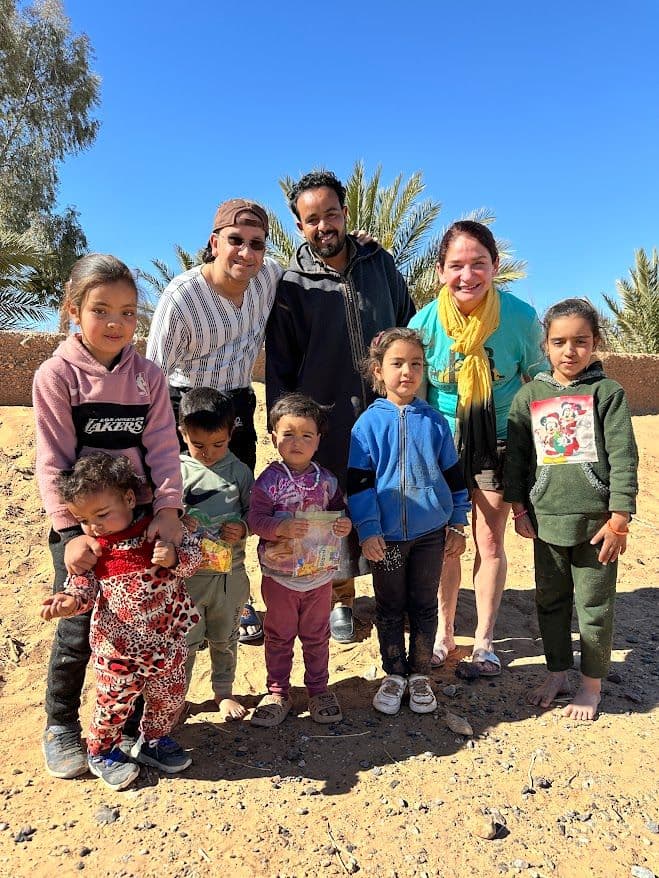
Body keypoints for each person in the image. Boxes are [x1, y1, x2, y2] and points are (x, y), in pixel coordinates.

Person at [33, 253, 186, 780]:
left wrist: (167, 509)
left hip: (140, 521)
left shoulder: (148, 378)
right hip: (86, 529)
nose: (117, 323)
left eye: (128, 311)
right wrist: (72, 533)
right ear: (74, 310)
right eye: (102, 310)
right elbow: (52, 458)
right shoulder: (56, 376)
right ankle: (61, 726)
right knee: (80, 627)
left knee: (145, 623)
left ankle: (131, 730)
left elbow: (164, 447)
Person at [266, 170, 416, 643]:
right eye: (312, 219)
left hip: (385, 413)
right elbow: (282, 361)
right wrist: (288, 426)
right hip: (324, 418)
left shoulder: (380, 264)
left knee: (387, 502)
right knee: (330, 508)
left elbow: (408, 325)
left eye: (331, 213)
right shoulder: (292, 285)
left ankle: (394, 595)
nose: (324, 225)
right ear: (300, 227)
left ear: (346, 214)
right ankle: (341, 600)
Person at [408, 220, 546, 676]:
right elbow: (414, 393)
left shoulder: (521, 319)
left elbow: (541, 384)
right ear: (440, 272)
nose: (467, 276)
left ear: (495, 266)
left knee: (489, 540)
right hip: (440, 448)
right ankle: (445, 634)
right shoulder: (424, 324)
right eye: (456, 266)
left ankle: (485, 640)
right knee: (447, 543)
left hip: (498, 444)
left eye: (478, 264)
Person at [147, 197, 281, 641]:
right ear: (214, 242)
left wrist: (358, 244)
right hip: (187, 407)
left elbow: (314, 263)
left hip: (238, 404)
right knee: (187, 503)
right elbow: (153, 373)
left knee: (233, 503)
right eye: (235, 241)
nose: (246, 253)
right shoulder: (182, 296)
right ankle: (182, 592)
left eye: (256, 244)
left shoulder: (268, 278)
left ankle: (233, 600)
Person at [504, 298, 638, 720]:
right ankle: (557, 671)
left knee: (595, 606)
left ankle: (591, 685)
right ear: (545, 345)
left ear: (595, 342)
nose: (570, 351)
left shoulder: (607, 393)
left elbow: (622, 454)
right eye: (559, 341)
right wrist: (520, 509)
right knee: (551, 602)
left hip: (598, 525)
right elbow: (518, 459)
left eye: (581, 341)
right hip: (546, 523)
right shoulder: (529, 396)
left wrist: (619, 517)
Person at [40, 453, 201, 791]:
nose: (94, 527)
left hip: (166, 640)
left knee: (168, 696)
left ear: (129, 498)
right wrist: (68, 602)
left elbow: (195, 559)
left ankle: (153, 741)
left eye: (101, 515)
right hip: (118, 650)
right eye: (84, 520)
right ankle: (101, 751)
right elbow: (81, 587)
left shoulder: (159, 531)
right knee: (113, 703)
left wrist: (174, 557)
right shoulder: (94, 551)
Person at [347, 329, 471, 714]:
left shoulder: (434, 423)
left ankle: (419, 674)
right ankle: (393, 673)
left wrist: (456, 522)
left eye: (416, 364)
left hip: (430, 534)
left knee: (422, 603)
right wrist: (368, 531)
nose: (408, 372)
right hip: (385, 540)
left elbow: (453, 477)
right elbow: (359, 485)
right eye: (397, 363)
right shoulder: (366, 426)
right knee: (389, 605)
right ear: (378, 371)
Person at [247, 393, 353, 727]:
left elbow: (340, 511)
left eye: (307, 435)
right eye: (288, 434)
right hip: (280, 578)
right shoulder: (268, 482)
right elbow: (255, 521)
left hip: (319, 578)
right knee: (278, 635)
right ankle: (278, 691)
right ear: (273, 436)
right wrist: (280, 527)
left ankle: (319, 690)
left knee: (317, 634)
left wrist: (343, 523)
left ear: (319, 440)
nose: (297, 442)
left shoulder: (327, 480)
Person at [178, 388, 254, 720]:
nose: (208, 454)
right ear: (183, 433)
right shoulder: (174, 472)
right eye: (198, 445)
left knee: (225, 637)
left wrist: (243, 528)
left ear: (231, 433)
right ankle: (176, 697)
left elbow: (255, 514)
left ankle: (223, 691)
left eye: (218, 445)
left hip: (229, 575)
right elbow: (161, 515)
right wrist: (179, 519)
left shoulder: (239, 473)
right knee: (186, 642)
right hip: (187, 578)